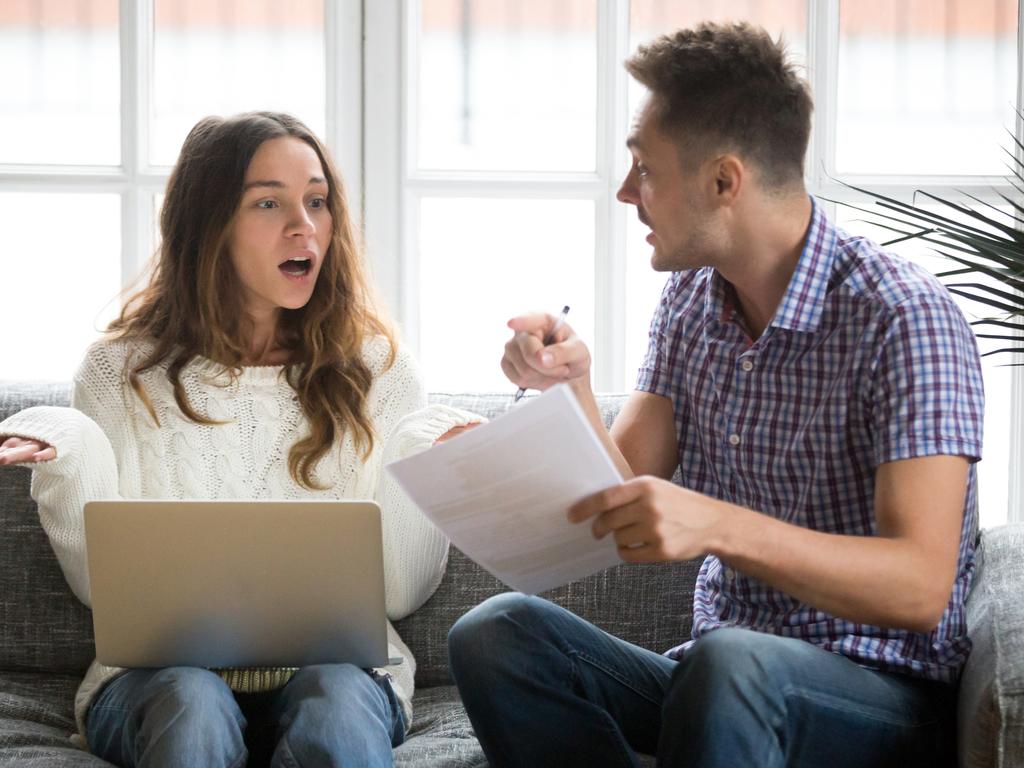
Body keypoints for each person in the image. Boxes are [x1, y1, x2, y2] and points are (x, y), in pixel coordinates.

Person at [447, 21, 983, 768]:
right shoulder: (693, 301)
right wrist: (566, 387)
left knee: (732, 662)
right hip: (712, 676)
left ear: (724, 181)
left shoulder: (904, 318)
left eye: (645, 170)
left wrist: (721, 527)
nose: (626, 191)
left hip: (877, 693)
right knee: (497, 633)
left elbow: (920, 585)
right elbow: (623, 487)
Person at [0, 111, 478, 768]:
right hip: (158, 679)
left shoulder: (380, 367)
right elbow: (101, 590)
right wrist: (70, 452)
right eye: (268, 202)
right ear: (209, 224)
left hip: (341, 671)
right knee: (193, 709)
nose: (303, 225)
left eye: (317, 201)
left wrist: (424, 456)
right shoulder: (119, 372)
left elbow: (398, 593)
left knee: (337, 708)